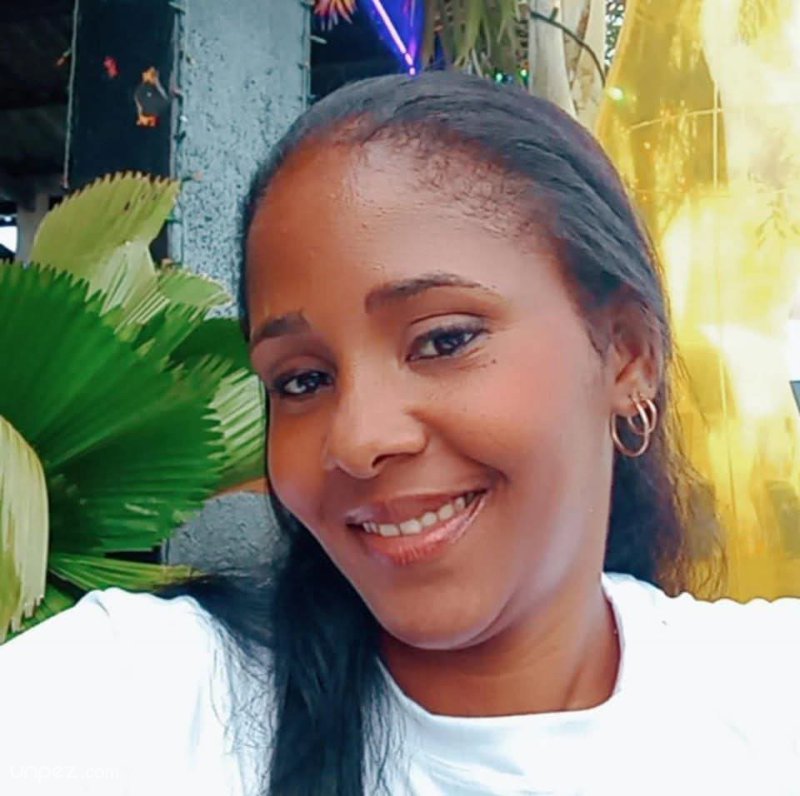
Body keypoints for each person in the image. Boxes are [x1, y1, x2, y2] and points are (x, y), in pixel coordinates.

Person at [1, 71, 799, 796]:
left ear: (627, 354)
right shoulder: (137, 698)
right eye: (302, 380)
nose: (357, 439)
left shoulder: (766, 698)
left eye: (444, 340)